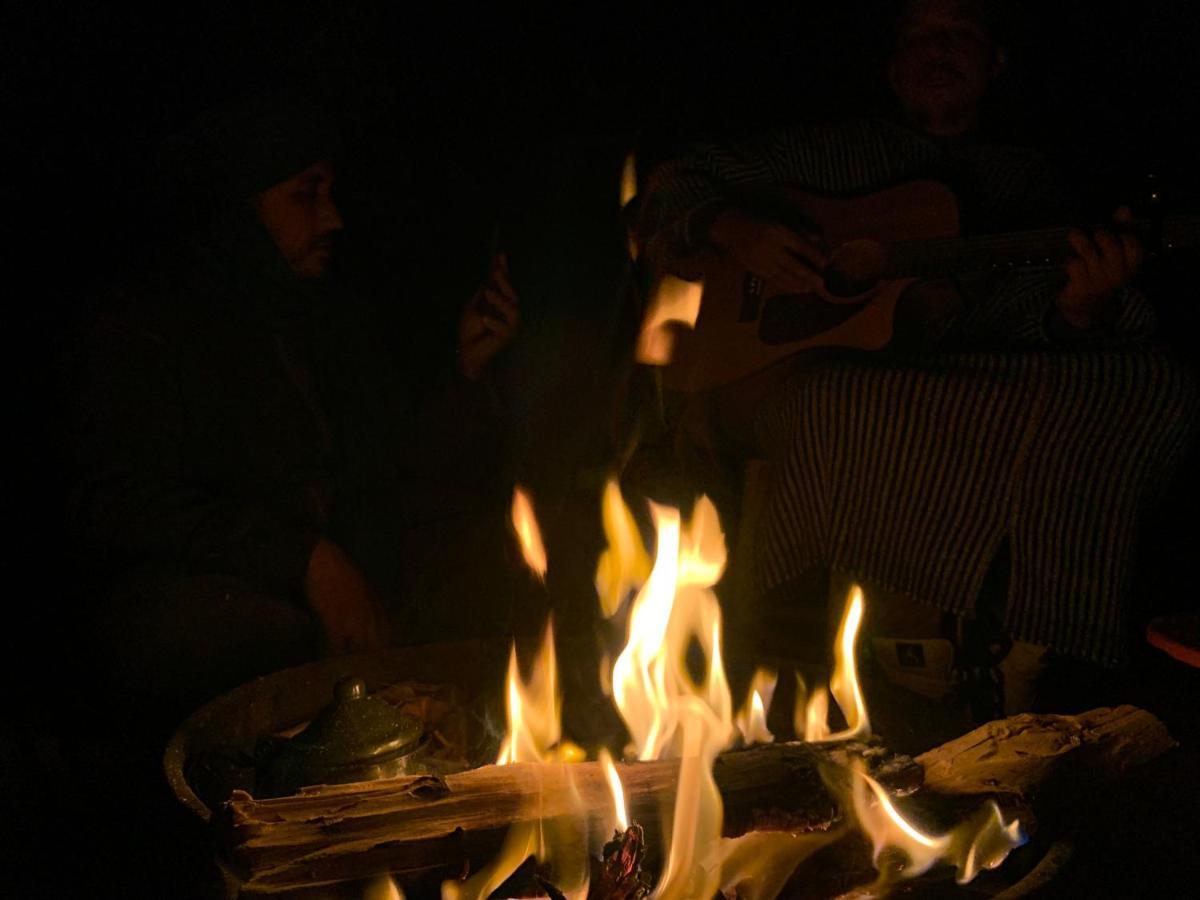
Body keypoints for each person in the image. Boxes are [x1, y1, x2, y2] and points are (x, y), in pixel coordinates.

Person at [637, 0, 1197, 721]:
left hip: (954, 389)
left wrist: (1079, 309)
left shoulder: (1027, 182)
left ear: (995, 61)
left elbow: (1023, 322)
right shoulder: (826, 152)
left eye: (959, 31)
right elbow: (672, 182)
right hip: (764, 376)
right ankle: (911, 645)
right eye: (919, 35)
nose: (938, 49)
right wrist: (735, 227)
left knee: (1153, 384)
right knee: (854, 400)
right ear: (892, 68)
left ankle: (1031, 632)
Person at [66, 88, 522, 715]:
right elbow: (126, 504)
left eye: (329, 192)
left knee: (491, 554)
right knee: (182, 626)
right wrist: (304, 559)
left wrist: (465, 372)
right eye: (306, 194)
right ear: (240, 210)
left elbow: (398, 468)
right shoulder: (146, 327)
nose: (332, 218)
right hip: (245, 594)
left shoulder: (328, 318)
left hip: (364, 583)